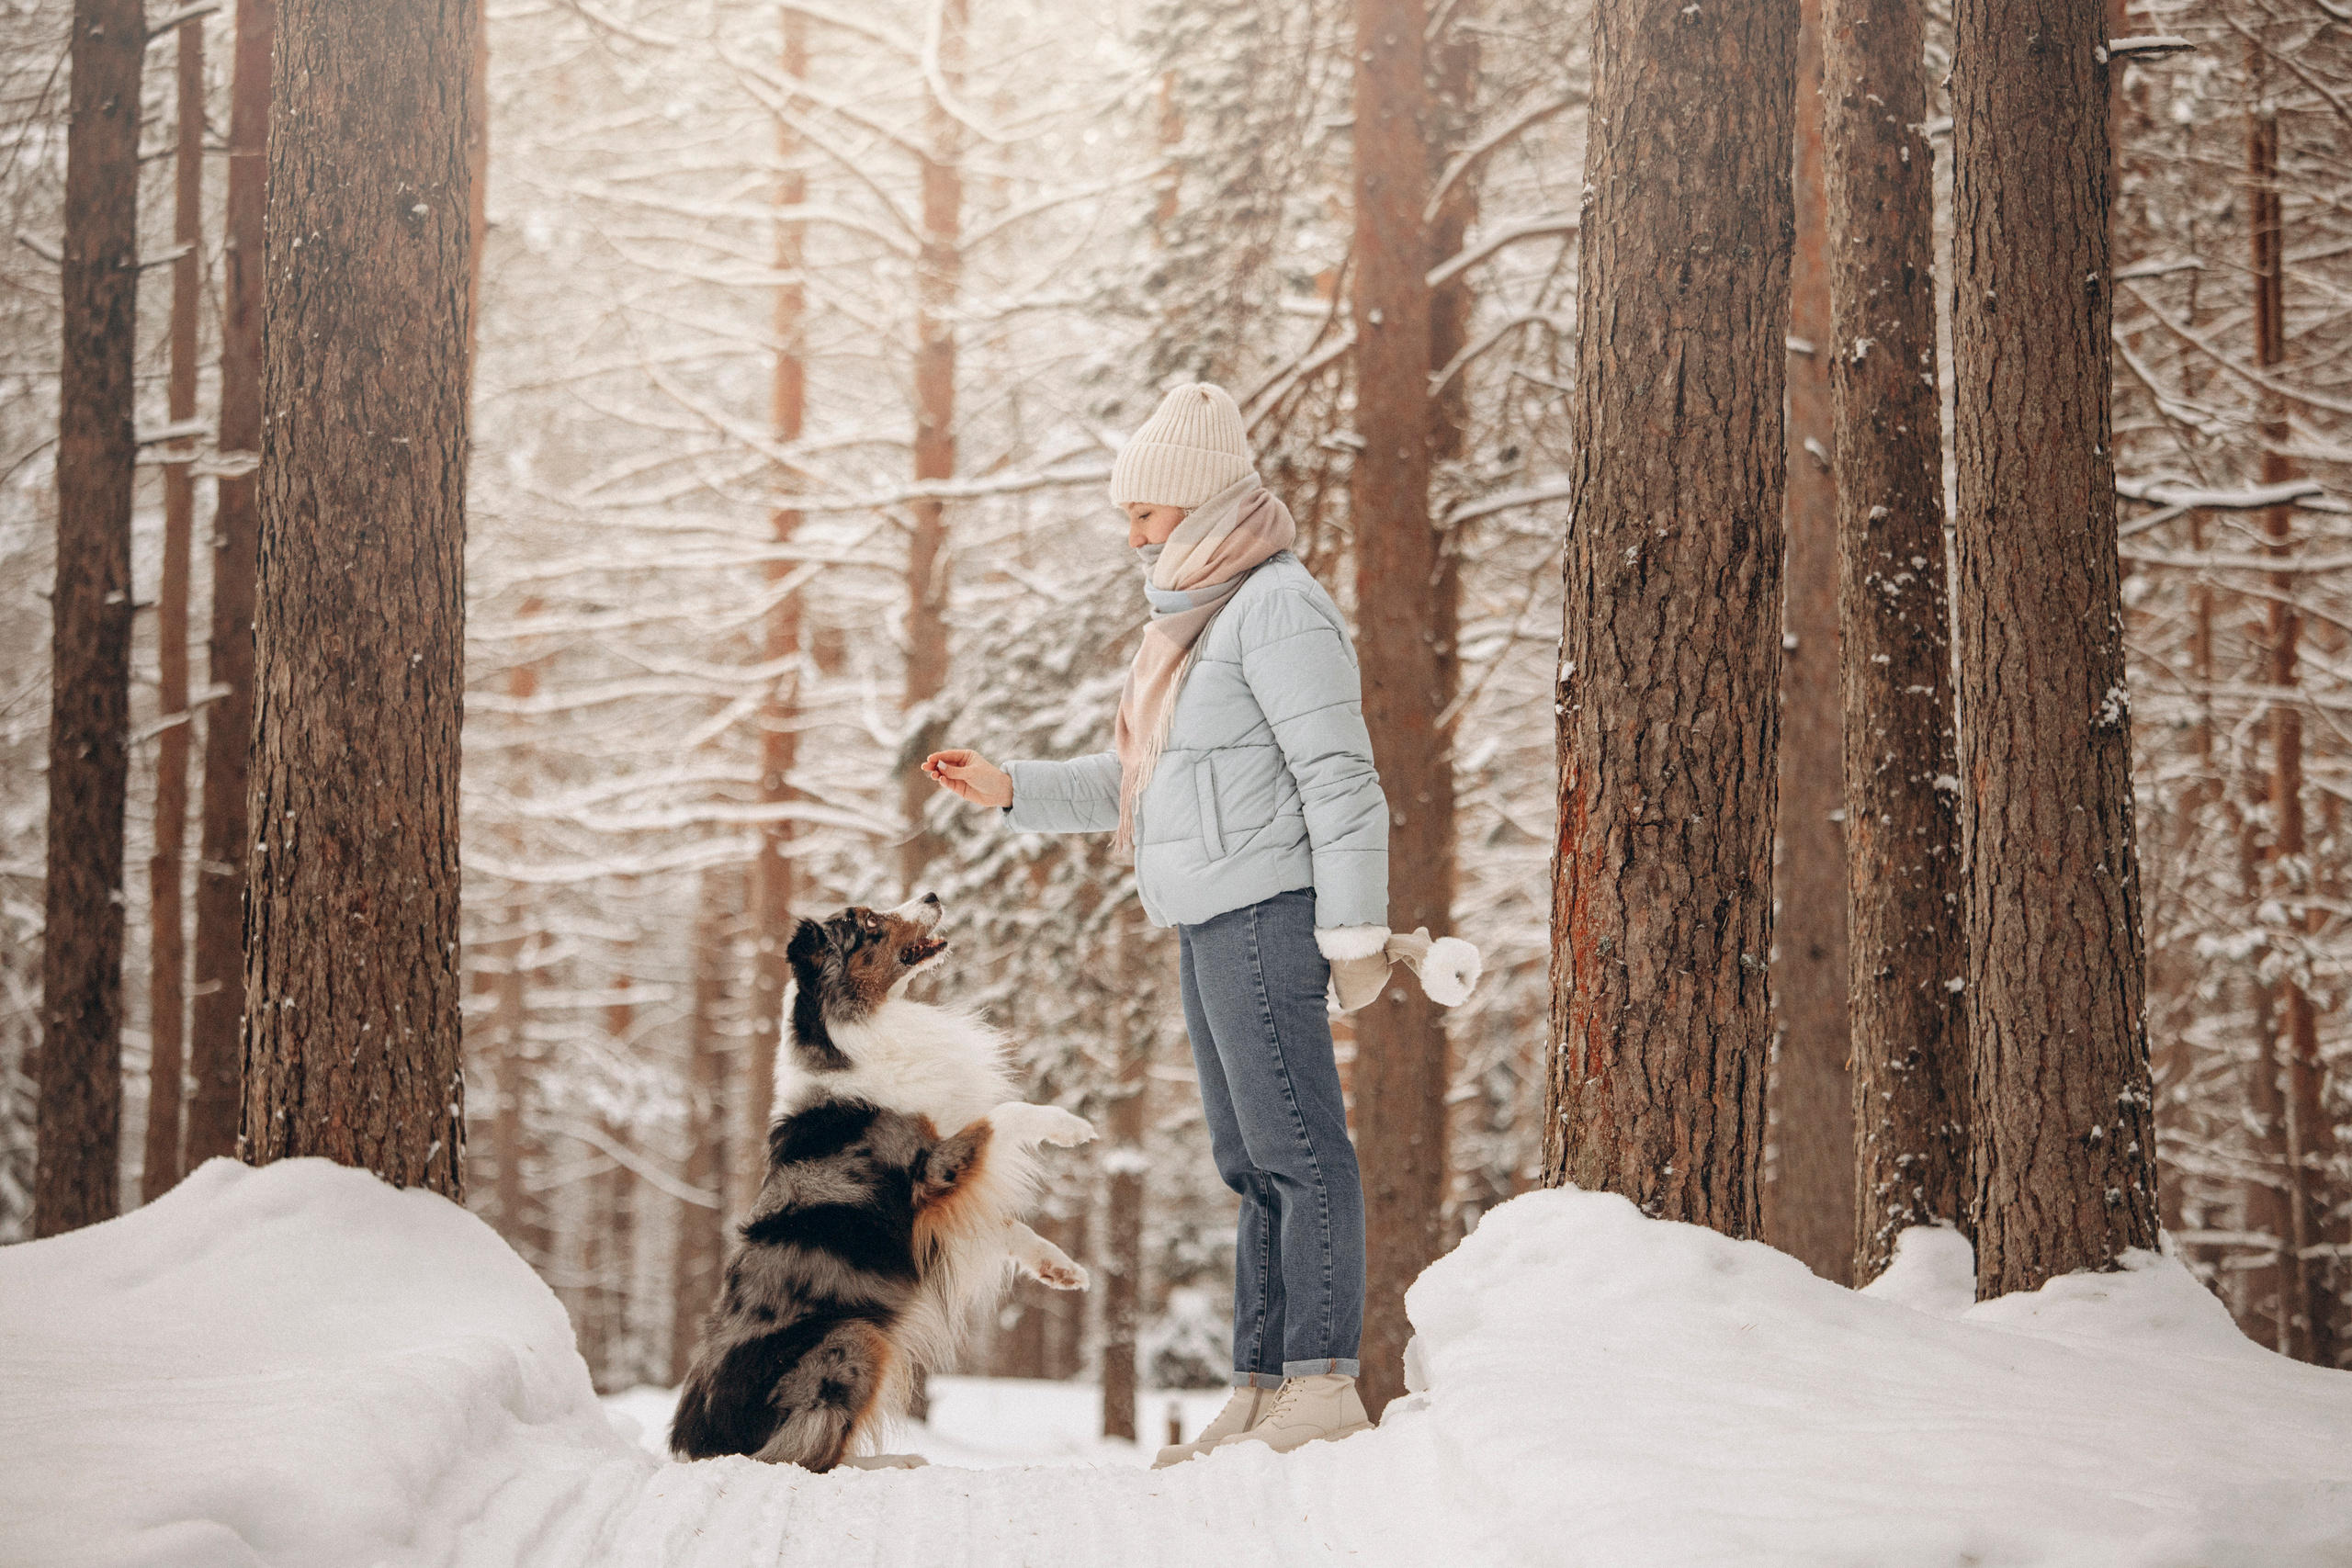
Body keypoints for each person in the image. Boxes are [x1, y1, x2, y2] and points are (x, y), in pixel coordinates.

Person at [922, 381, 1391, 1464]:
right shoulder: (1199, 623)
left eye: (1145, 513)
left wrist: (1355, 931)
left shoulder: (1275, 606)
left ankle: (1320, 1386)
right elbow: (1149, 783)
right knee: (1249, 1159)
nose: (1130, 533)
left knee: (1298, 1151)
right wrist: (1011, 789)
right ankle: (1263, 1388)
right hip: (1208, 915)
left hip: (1268, 907)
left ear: (1201, 504)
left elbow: (1341, 776)